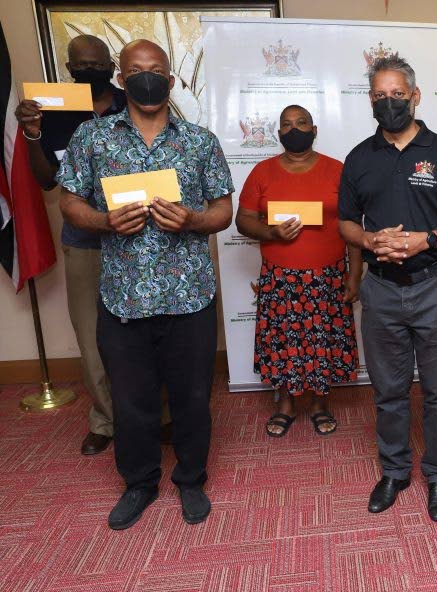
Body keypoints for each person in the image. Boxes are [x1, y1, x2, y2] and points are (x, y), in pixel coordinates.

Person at [57, 39, 234, 530]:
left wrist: (194, 219)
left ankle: (192, 480)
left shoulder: (200, 141)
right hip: (123, 297)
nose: (147, 78)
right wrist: (103, 220)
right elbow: (68, 201)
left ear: (171, 80)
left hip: (189, 296)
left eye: (156, 70)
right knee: (132, 400)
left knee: (193, 396)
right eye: (136, 70)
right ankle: (139, 484)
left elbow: (224, 209)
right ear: (120, 78)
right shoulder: (92, 138)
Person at [338, 56, 437, 522]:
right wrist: (367, 239)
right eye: (380, 96)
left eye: (397, 94)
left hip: (436, 285)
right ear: (370, 101)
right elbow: (345, 222)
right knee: (389, 389)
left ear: (416, 96)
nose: (389, 103)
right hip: (380, 290)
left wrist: (428, 239)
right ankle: (395, 471)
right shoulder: (359, 158)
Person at [14, 35, 126, 455]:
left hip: (137, 239)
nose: (89, 68)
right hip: (84, 241)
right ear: (69, 66)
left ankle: (159, 414)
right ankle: (105, 421)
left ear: (110, 65)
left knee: (148, 331)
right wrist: (31, 133)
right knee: (91, 334)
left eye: (97, 63)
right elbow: (46, 179)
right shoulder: (55, 109)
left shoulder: (131, 101)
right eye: (81, 63)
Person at [235, 105, 361, 437]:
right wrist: (271, 232)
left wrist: (354, 275)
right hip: (281, 277)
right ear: (278, 134)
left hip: (328, 275)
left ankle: (320, 404)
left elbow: (353, 227)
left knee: (322, 342)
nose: (295, 130)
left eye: (301, 123)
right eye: (287, 125)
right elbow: (243, 220)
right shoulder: (262, 172)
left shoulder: (338, 170)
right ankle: (286, 404)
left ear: (315, 129)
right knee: (284, 343)